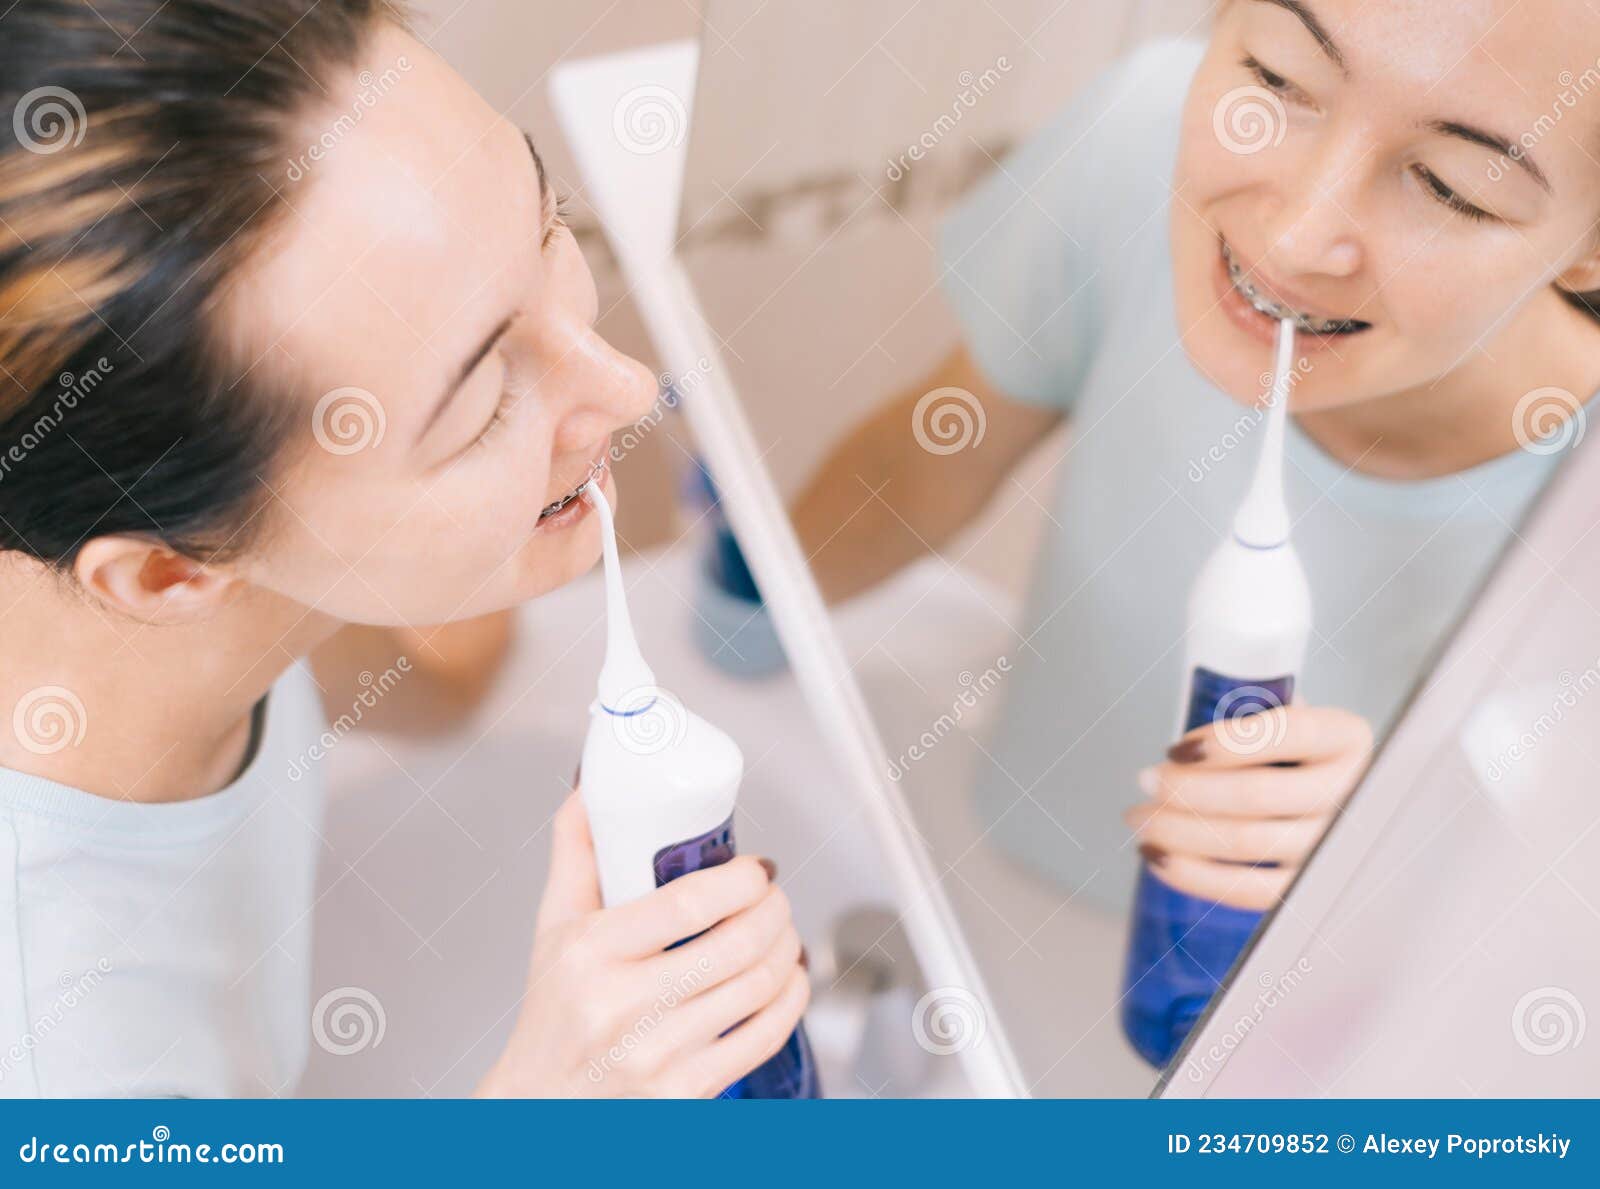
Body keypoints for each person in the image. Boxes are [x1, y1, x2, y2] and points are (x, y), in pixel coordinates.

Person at [0, 0, 806, 1098]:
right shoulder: (58, 1054)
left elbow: (439, 684)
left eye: (546, 224)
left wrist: (495, 499)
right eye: (478, 402)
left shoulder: (161, 597)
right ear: (171, 571)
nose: (624, 386)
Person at [795, 0, 1600, 916]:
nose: (1297, 237)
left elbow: (1547, 938)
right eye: (1279, 79)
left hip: (1298, 1032)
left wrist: (1385, 855)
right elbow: (922, 463)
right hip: (1008, 865)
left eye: (1452, 187)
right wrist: (732, 614)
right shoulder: (1136, 146)